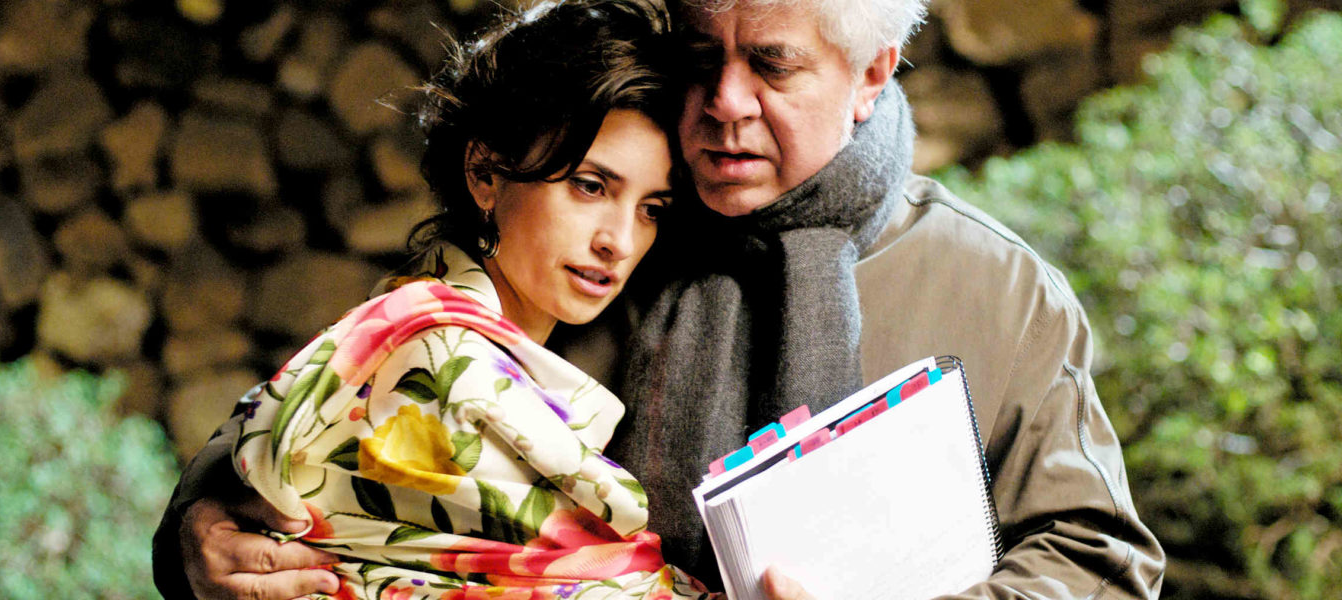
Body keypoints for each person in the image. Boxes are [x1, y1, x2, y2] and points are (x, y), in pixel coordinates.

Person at [157, 0, 1169, 597]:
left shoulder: (992, 287)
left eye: (770, 64)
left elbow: (1099, 560)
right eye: (700, 60)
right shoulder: (605, 229)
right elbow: (331, 412)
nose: (723, 104)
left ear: (871, 74)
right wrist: (196, 533)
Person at [155, 1, 719, 598]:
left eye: (651, 209)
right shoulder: (441, 366)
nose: (619, 241)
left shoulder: (403, 326)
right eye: (589, 186)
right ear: (485, 173)